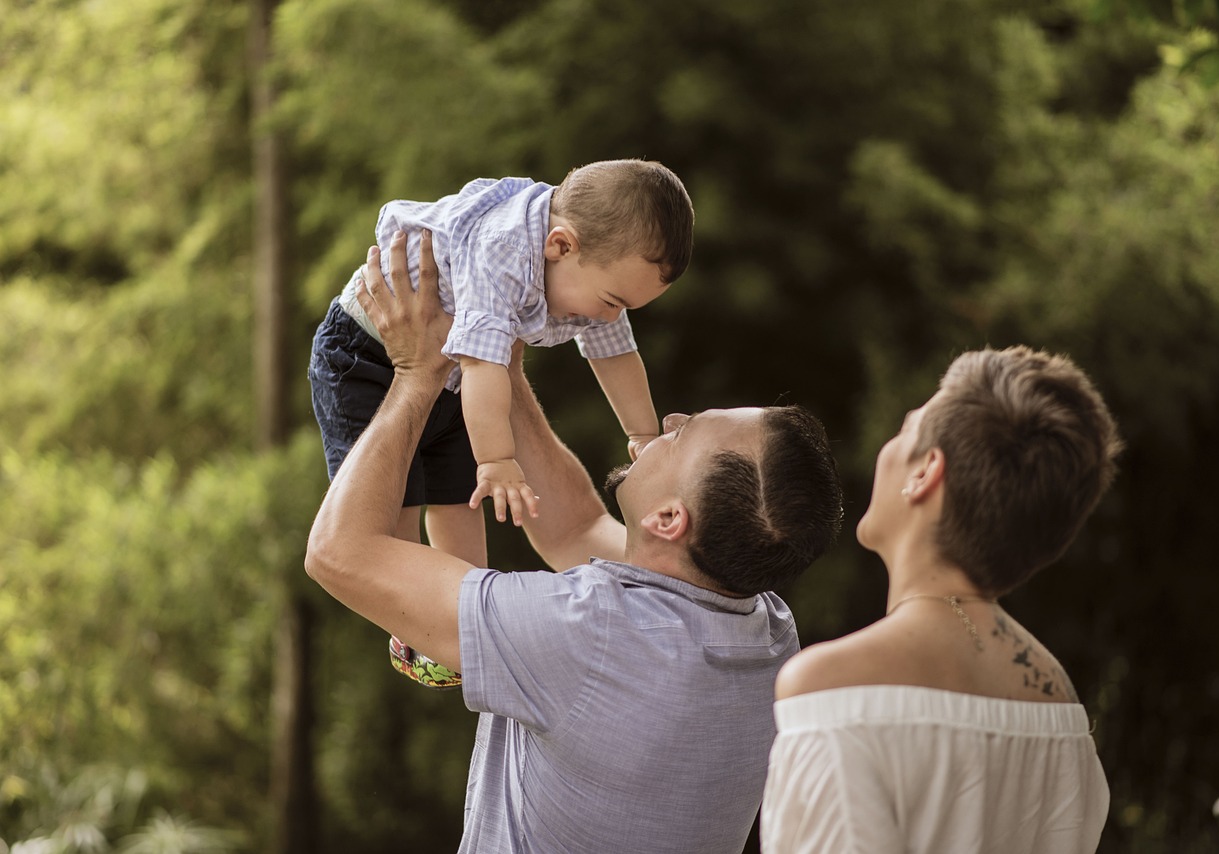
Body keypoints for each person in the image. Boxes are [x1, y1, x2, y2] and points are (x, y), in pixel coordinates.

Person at [305, 230, 845, 853]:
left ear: (669, 521)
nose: (668, 421)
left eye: (686, 434)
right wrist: (496, 351)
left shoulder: (588, 635)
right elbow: (572, 529)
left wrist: (417, 373)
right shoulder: (764, 631)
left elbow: (338, 553)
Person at [308, 158, 693, 686]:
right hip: (367, 355)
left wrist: (643, 434)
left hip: (453, 372)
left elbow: (616, 353)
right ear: (560, 245)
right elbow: (485, 364)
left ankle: (453, 632)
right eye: (611, 301)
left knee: (461, 504)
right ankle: (411, 624)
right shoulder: (504, 253)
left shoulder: (594, 268)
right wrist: (497, 458)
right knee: (396, 517)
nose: (608, 316)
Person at [760, 345, 1122, 854]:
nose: (886, 448)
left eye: (906, 430)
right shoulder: (1059, 703)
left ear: (926, 472)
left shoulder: (829, 687)